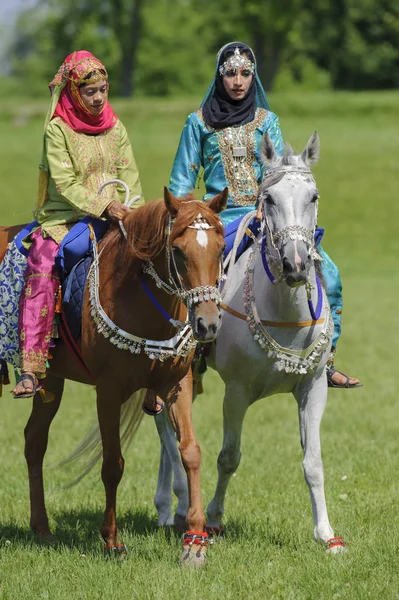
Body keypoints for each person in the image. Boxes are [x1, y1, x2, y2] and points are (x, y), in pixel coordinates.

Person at [168, 41, 361, 390]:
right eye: (230, 73)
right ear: (219, 76)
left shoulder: (267, 121)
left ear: (253, 76)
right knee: (199, 277)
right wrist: (197, 218)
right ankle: (185, 362)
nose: (238, 80)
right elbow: (181, 183)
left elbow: (279, 173)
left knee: (327, 271)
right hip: (218, 221)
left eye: (245, 73)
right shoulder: (197, 124)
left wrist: (265, 205)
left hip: (267, 216)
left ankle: (326, 359)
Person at [12, 50, 144, 398]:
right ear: (73, 92)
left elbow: (131, 176)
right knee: (41, 262)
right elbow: (65, 184)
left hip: (118, 213)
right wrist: (105, 205)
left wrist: (136, 213)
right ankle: (31, 366)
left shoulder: (116, 127)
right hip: (65, 217)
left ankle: (159, 356)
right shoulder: (57, 130)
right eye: (90, 92)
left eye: (103, 89)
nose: (99, 98)